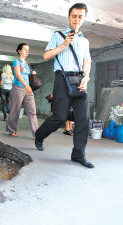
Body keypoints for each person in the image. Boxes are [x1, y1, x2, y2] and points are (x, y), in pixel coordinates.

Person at [35, 3, 94, 168]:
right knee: (59, 117)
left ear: (83, 19)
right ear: (69, 17)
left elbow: (87, 60)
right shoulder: (58, 35)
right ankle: (39, 135)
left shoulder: (85, 41)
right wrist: (63, 45)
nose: (77, 19)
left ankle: (78, 155)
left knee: (83, 119)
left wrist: (86, 76)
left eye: (80, 16)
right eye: (74, 16)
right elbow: (46, 55)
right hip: (62, 78)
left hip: (79, 80)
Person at [6, 43, 39, 137]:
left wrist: (33, 73)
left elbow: (27, 76)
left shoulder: (27, 64)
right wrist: (25, 85)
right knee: (15, 110)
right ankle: (11, 130)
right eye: (25, 49)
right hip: (18, 88)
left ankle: (37, 133)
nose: (27, 52)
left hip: (28, 89)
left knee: (32, 111)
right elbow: (18, 75)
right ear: (19, 51)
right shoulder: (16, 62)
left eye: (28, 50)